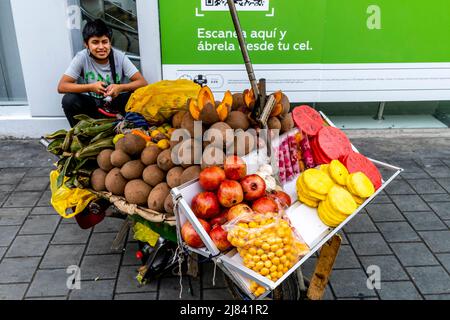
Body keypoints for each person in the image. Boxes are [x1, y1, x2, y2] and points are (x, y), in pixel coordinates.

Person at [58, 19, 147, 127]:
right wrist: (90, 87)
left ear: (110, 42)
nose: (101, 47)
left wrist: (120, 88)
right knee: (69, 100)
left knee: (138, 95)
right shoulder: (81, 57)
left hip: (116, 106)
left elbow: (142, 83)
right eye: (95, 42)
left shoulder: (119, 57)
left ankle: (129, 125)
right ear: (86, 44)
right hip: (93, 106)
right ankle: (81, 135)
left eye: (104, 42)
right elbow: (62, 86)